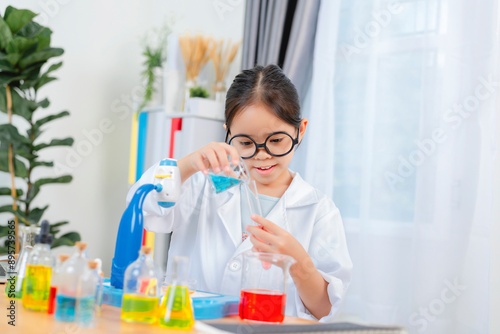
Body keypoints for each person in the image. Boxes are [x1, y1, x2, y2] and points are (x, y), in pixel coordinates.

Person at [127, 64, 352, 321]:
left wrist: (299, 263)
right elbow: (143, 208)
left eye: (276, 140)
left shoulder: (318, 209)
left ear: (300, 130)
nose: (262, 154)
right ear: (228, 133)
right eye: (245, 143)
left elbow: (325, 309)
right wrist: (188, 163)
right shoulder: (202, 184)